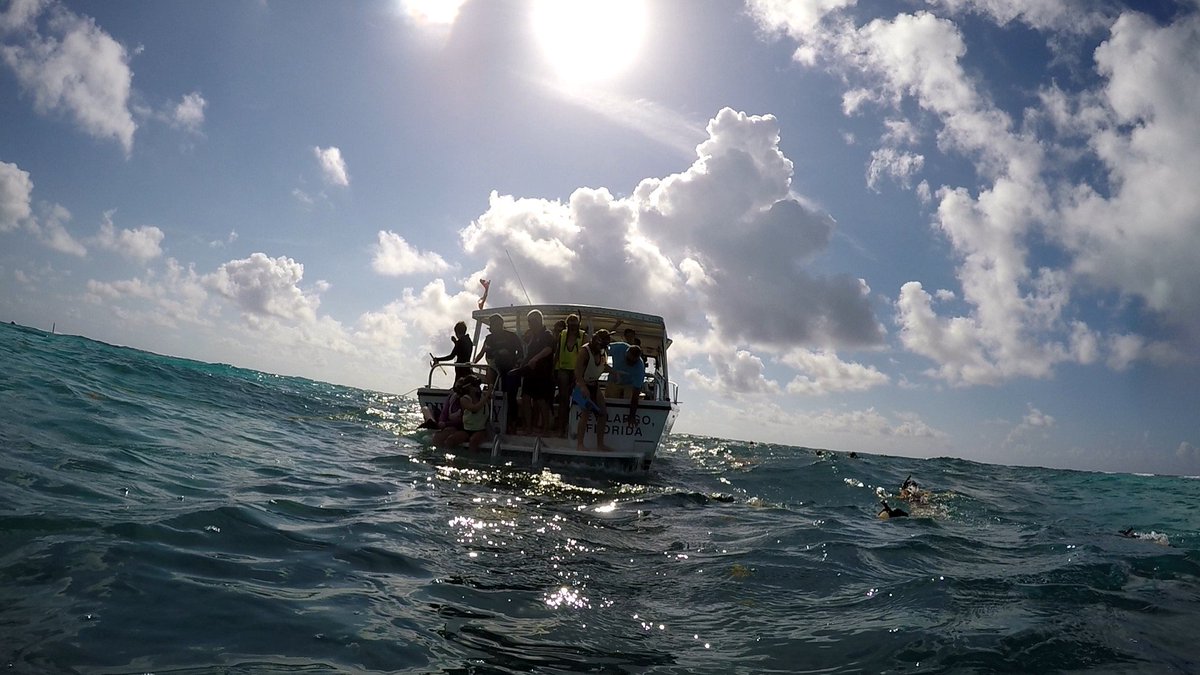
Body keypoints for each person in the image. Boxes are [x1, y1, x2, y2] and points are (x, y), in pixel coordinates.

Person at [473, 314, 523, 428]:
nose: (492, 327)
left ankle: (512, 422)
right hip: (495, 368)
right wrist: (473, 362)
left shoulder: (512, 336)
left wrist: (516, 364)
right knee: (492, 391)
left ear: (500, 324)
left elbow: (520, 353)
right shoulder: (489, 338)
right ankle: (489, 419)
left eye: (494, 324)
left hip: (510, 369)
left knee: (511, 396)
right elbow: (484, 352)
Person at [518, 309, 556, 434]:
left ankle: (546, 428)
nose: (529, 324)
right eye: (528, 322)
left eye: (531, 321)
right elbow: (528, 353)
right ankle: (528, 427)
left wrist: (536, 358)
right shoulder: (532, 336)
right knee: (525, 398)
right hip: (530, 373)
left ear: (538, 320)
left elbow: (548, 349)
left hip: (542, 373)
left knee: (541, 400)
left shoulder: (547, 334)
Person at [574, 329, 611, 451]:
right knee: (585, 413)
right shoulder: (585, 351)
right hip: (582, 384)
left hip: (594, 384)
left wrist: (614, 372)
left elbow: (603, 366)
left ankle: (600, 444)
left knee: (603, 413)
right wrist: (583, 387)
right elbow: (578, 372)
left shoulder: (602, 351)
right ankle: (580, 444)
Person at [435, 380, 492, 451]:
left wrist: (488, 394)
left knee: (473, 441)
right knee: (450, 440)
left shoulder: (482, 397)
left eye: (478, 385)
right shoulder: (464, 399)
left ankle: (472, 461)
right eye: (475, 385)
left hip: (480, 430)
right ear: (469, 387)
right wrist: (487, 396)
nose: (478, 387)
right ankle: (448, 459)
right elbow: (474, 409)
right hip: (467, 429)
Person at [553, 313, 584, 435]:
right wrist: (553, 367)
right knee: (563, 399)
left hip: (577, 371)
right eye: (570, 322)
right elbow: (557, 351)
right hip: (563, 369)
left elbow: (584, 355)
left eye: (574, 322)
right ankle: (561, 427)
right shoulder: (563, 334)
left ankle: (573, 428)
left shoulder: (583, 335)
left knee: (576, 399)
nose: (572, 325)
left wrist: (581, 373)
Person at [605, 340, 645, 428]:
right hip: (614, 381)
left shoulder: (640, 368)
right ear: (626, 352)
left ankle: (624, 419)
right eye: (628, 359)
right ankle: (606, 416)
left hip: (629, 384)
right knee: (610, 396)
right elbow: (603, 349)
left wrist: (632, 416)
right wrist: (605, 365)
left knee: (629, 398)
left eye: (633, 362)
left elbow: (636, 394)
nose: (629, 363)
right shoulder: (620, 347)